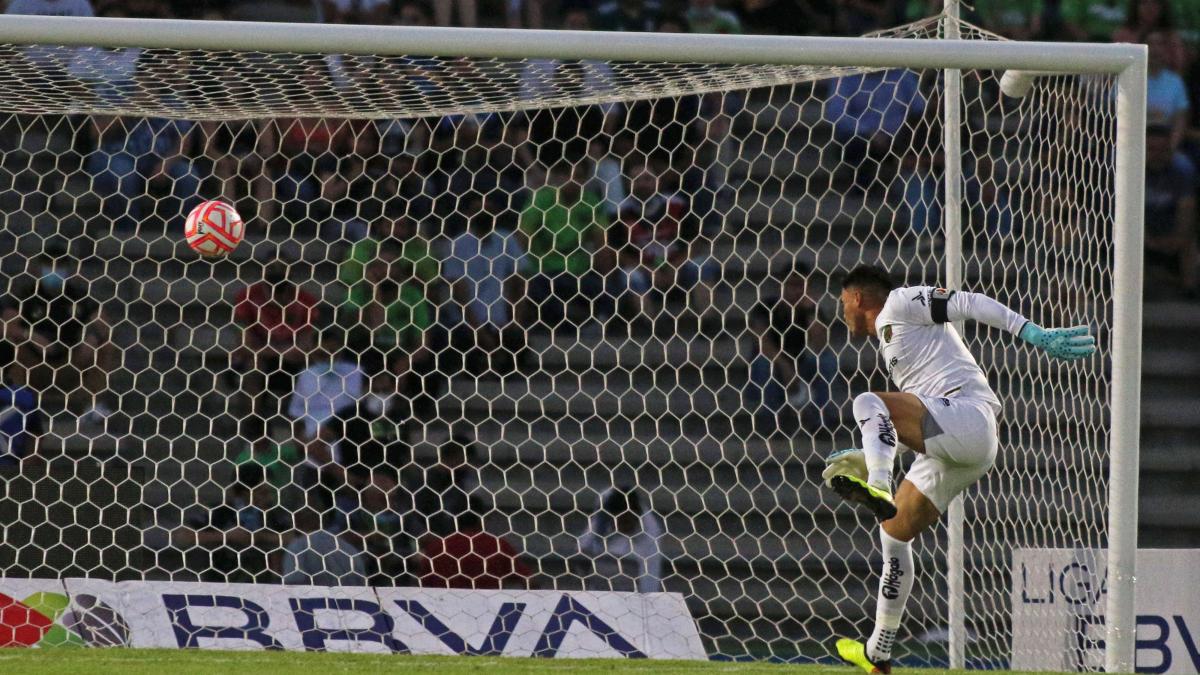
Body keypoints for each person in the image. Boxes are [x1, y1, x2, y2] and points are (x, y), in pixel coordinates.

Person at [826, 265, 1096, 672]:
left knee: (867, 402)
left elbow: (968, 302)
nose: (841, 310)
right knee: (894, 534)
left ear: (856, 298)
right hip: (958, 444)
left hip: (969, 415)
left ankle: (878, 483)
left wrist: (1032, 333)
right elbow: (924, 419)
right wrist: (870, 451)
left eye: (842, 301)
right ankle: (877, 653)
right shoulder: (896, 341)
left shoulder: (900, 302)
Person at [517, 161, 612, 333]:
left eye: (579, 176)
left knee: (613, 288)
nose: (572, 181)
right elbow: (523, 237)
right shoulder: (541, 199)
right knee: (535, 290)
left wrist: (607, 278)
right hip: (543, 271)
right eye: (566, 175)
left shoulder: (591, 202)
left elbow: (602, 243)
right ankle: (572, 324)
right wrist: (523, 272)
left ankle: (599, 323)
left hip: (578, 273)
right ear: (556, 178)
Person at [443, 193, 527, 377]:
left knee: (517, 342)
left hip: (502, 321)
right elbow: (459, 295)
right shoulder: (457, 245)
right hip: (467, 323)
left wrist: (515, 322)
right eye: (478, 209)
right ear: (467, 214)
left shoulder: (507, 240)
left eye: (489, 209)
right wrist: (481, 334)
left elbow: (520, 283)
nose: (484, 213)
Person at [232, 260, 320, 428]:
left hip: (292, 359)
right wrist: (280, 352)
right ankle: (253, 425)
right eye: (272, 267)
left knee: (311, 370)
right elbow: (245, 344)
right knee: (254, 367)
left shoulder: (306, 300)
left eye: (282, 268)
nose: (277, 272)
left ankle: (305, 428)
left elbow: (305, 346)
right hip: (260, 357)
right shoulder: (247, 297)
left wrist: (288, 353)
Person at [1144, 124, 1199, 296]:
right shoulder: (1128, 170)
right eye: (1151, 149)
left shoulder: (1183, 168)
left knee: (1191, 242)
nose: (1157, 155)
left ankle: (1189, 290)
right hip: (1140, 225)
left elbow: (1187, 208)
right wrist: (1146, 239)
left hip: (1169, 222)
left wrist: (1179, 238)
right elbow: (1122, 215)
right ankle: (1141, 294)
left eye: (1163, 150)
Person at [418, 507, 533, 590]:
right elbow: (528, 580)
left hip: (445, 610)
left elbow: (422, 583)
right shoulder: (498, 545)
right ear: (480, 521)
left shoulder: (438, 547)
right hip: (489, 610)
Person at [579, 486, 665, 593]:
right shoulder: (599, 526)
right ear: (612, 518)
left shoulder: (650, 535)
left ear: (637, 517)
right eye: (621, 522)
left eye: (628, 522)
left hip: (630, 592)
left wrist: (647, 599)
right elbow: (583, 549)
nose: (625, 526)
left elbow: (650, 576)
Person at [287, 326, 365, 440]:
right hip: (314, 431)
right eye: (322, 355)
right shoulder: (307, 375)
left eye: (333, 353)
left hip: (348, 430)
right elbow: (294, 412)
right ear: (312, 353)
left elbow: (359, 403)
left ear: (341, 351)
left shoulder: (354, 372)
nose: (329, 359)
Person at [280, 507, 369, 586]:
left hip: (314, 603)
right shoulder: (349, 548)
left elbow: (293, 583)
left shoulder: (298, 546)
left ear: (296, 521)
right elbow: (362, 583)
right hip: (350, 602)